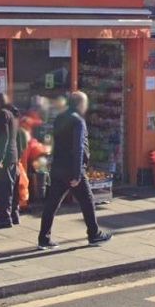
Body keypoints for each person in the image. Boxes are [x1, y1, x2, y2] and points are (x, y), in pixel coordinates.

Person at [37, 91, 112, 250]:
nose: (86, 106)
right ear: (80, 104)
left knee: (51, 204)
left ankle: (44, 239)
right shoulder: (78, 121)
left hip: (58, 168)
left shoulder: (59, 118)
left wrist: (52, 165)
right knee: (87, 201)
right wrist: (77, 173)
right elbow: (78, 147)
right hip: (72, 170)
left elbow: (55, 144)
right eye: (85, 103)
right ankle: (94, 235)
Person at [0, 93, 21, 229]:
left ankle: (4, 219)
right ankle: (14, 215)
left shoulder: (2, 114)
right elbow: (17, 137)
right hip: (13, 156)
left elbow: (4, 137)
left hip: (5, 158)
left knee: (4, 189)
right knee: (12, 188)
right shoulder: (13, 114)